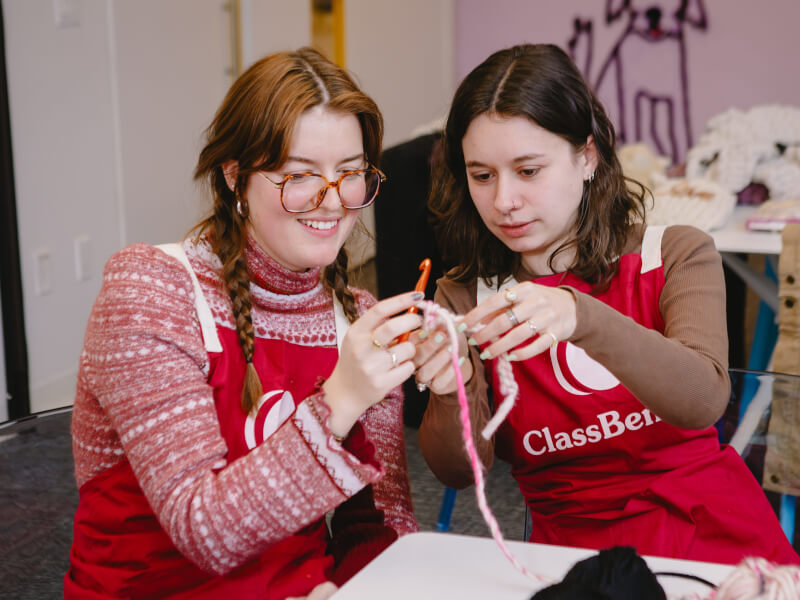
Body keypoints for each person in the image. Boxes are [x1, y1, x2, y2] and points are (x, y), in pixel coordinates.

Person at [413, 43, 800, 565]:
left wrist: (581, 315)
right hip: (575, 559)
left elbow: (704, 399)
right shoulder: (465, 295)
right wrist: (447, 391)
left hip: (709, 538)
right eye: (482, 176)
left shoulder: (673, 252)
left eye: (528, 171)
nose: (503, 201)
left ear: (587, 156)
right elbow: (461, 472)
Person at [65, 47, 425, 599]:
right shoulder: (151, 290)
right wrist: (342, 399)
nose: (332, 202)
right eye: (300, 176)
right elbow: (203, 532)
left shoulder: (357, 315)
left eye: (350, 174)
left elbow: (376, 525)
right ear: (236, 177)